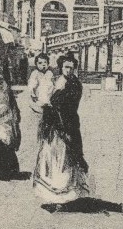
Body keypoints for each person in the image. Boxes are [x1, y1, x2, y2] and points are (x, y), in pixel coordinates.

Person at [33, 55, 90, 211]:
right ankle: (53, 197)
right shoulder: (56, 80)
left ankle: (63, 197)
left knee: (63, 162)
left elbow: (66, 107)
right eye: (66, 67)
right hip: (53, 127)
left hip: (65, 126)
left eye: (71, 67)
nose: (69, 70)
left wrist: (50, 106)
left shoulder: (74, 84)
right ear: (61, 67)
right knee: (50, 161)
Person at [27, 54, 55, 120]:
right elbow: (31, 85)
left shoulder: (50, 73)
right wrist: (33, 95)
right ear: (36, 64)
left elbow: (53, 84)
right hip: (38, 98)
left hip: (48, 97)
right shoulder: (35, 73)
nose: (43, 65)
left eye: (45, 62)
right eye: (40, 63)